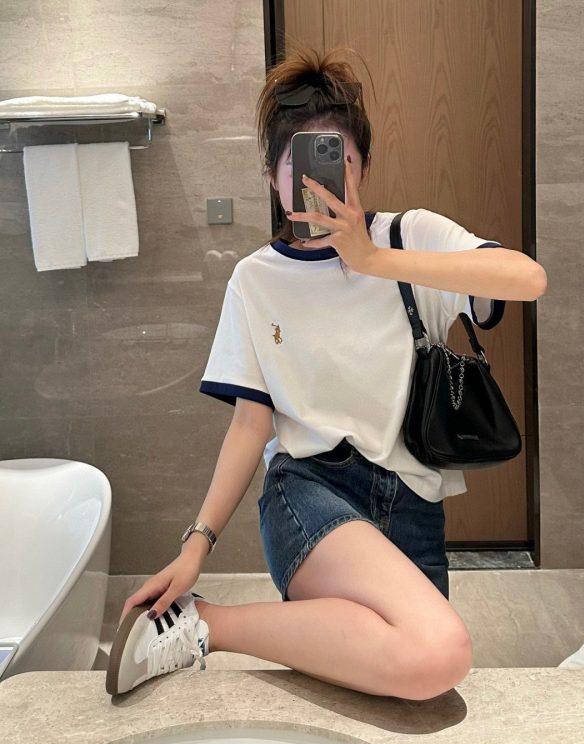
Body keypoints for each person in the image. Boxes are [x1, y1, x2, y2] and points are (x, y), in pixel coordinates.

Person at [106, 45, 546, 699]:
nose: (317, 182)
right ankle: (208, 624)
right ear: (272, 176)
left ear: (362, 166)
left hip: (411, 504)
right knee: (443, 648)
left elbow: (526, 279)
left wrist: (373, 261)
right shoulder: (255, 280)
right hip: (308, 491)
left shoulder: (410, 237)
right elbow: (250, 425)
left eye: (336, 159)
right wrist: (197, 545)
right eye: (299, 163)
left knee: (418, 677)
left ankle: (208, 625)